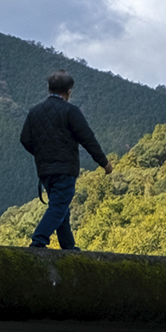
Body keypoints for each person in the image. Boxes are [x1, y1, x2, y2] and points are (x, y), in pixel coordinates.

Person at [19, 71, 112, 250]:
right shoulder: (71, 111)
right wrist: (104, 163)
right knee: (58, 207)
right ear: (69, 92)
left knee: (61, 207)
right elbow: (87, 139)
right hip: (65, 169)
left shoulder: (35, 111)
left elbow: (25, 139)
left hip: (44, 170)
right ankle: (38, 242)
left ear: (49, 89)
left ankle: (68, 248)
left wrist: (42, 154)